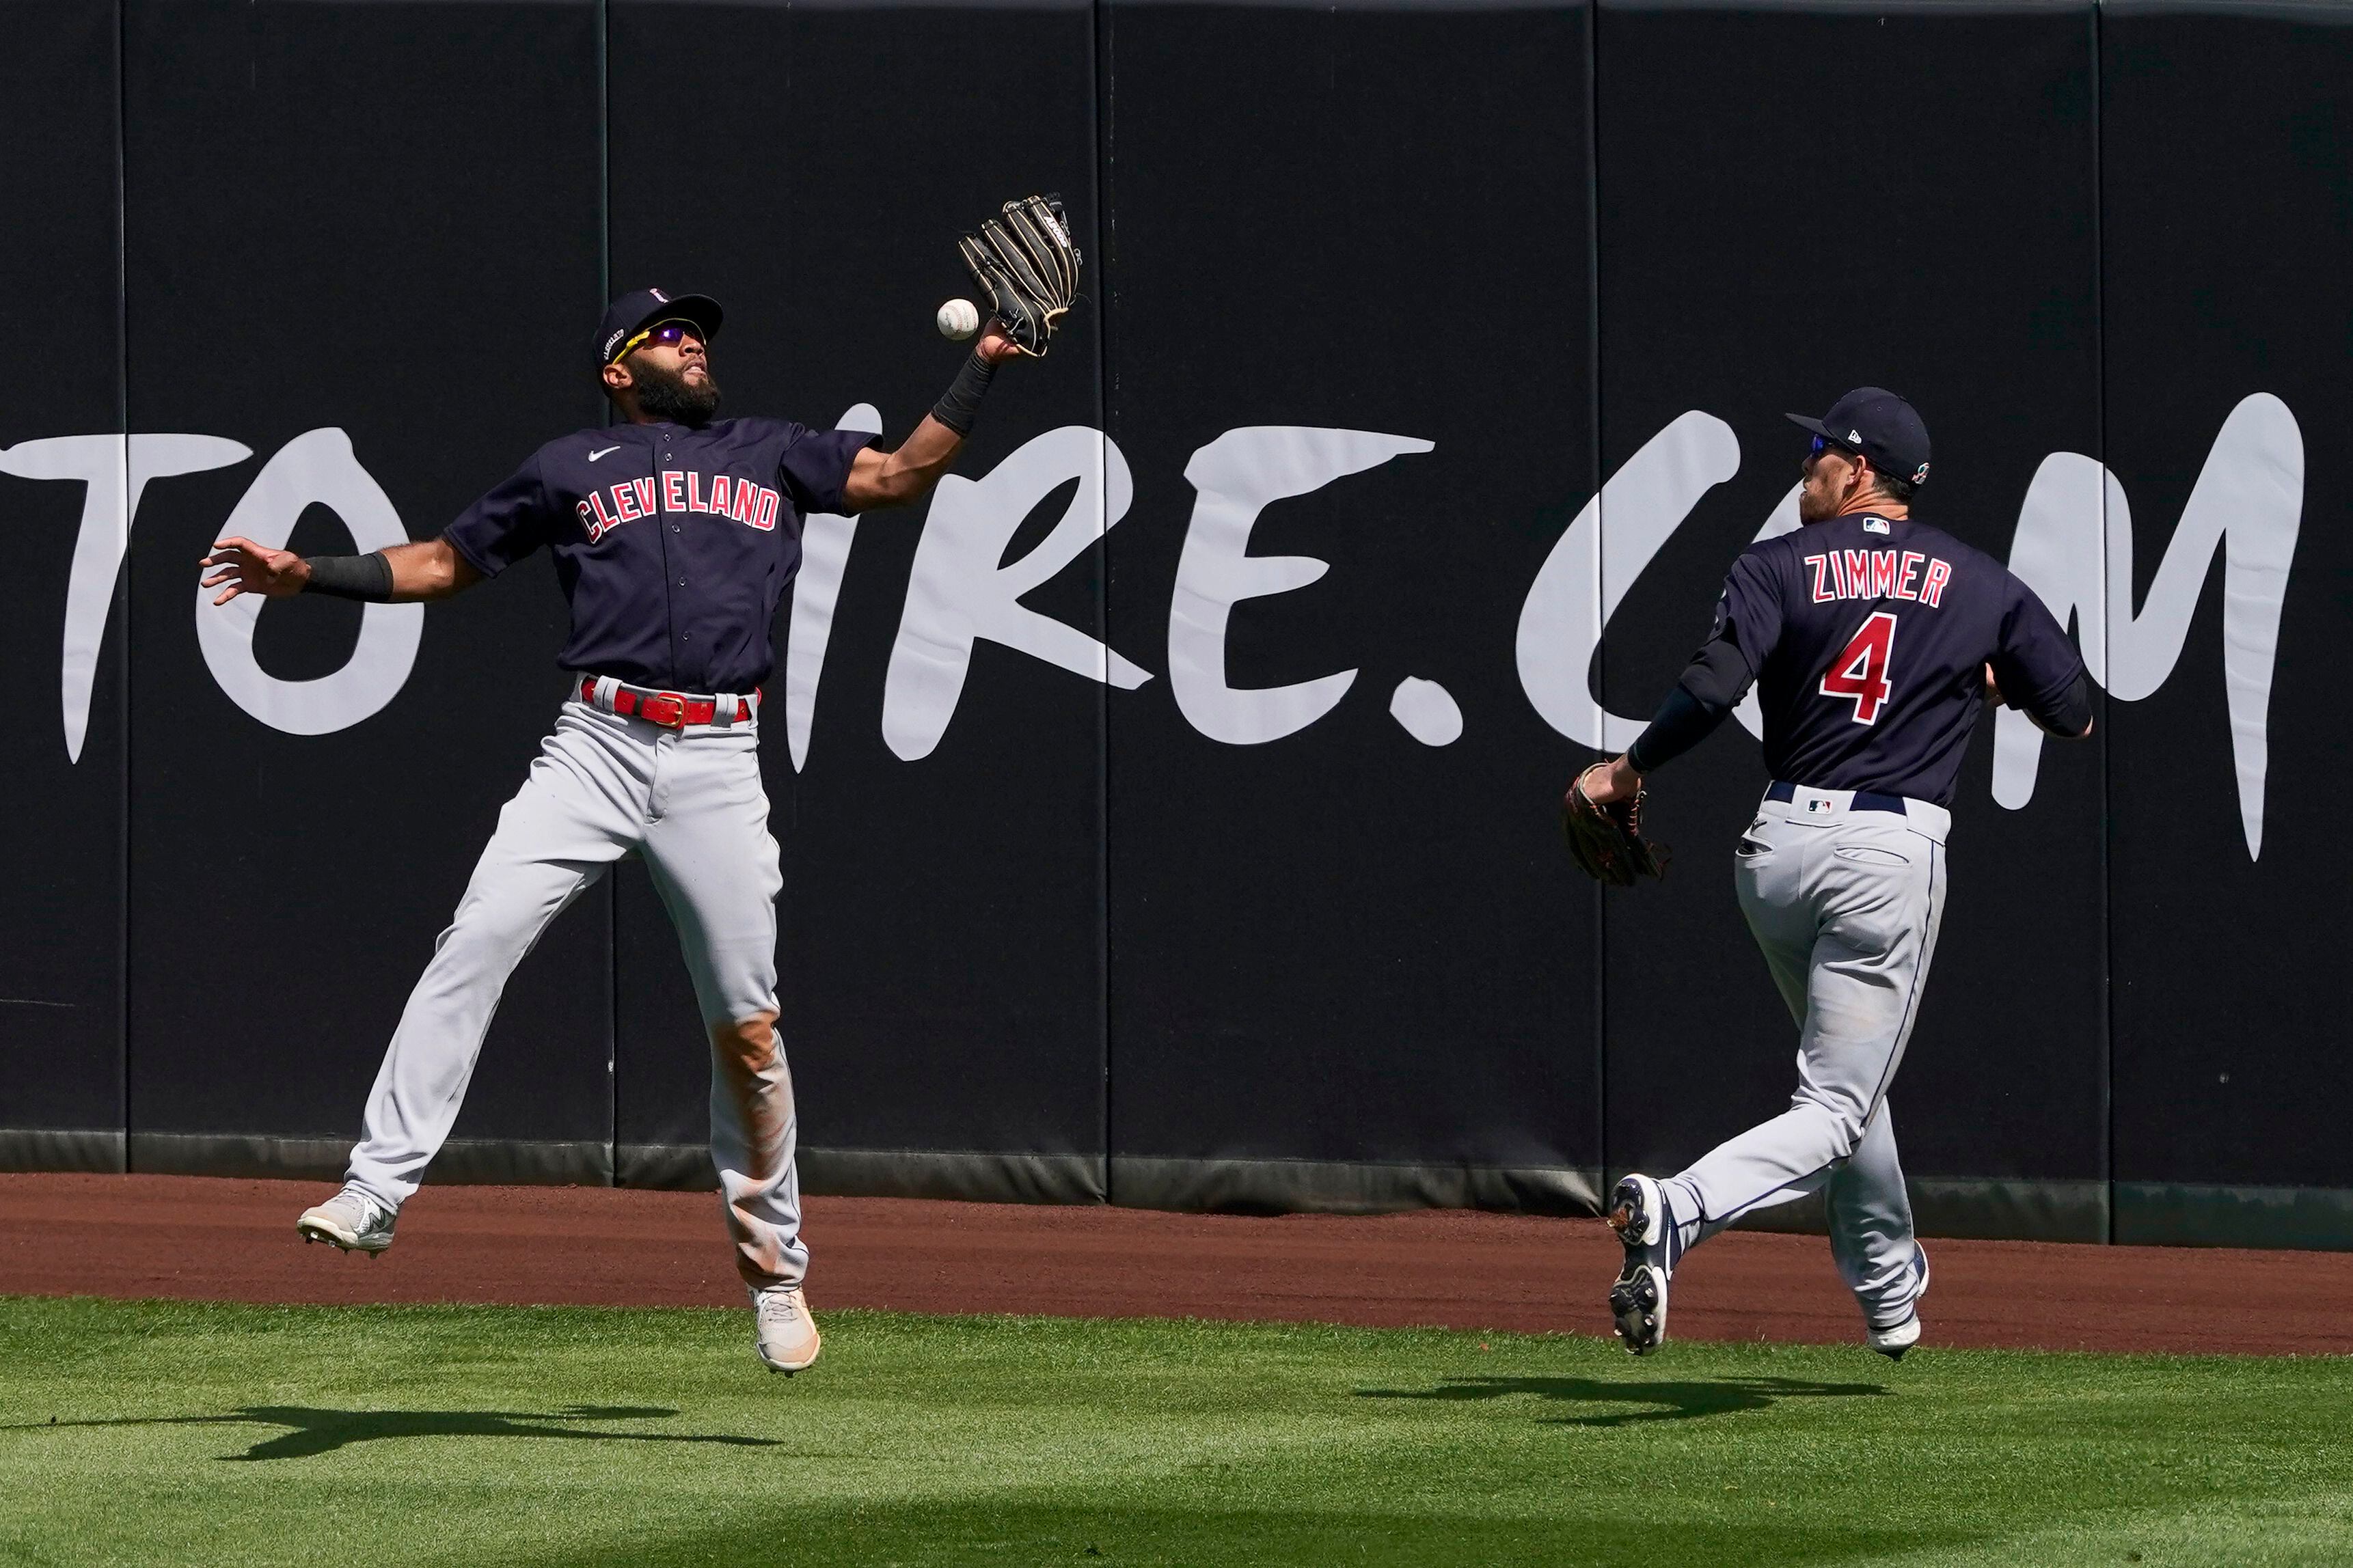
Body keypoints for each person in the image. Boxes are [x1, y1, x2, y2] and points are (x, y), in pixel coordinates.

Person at [200, 287, 1026, 1374]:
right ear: (616, 370)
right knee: (477, 940)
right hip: (593, 742)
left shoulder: (771, 451)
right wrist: (310, 576)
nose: (691, 345)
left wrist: (985, 368)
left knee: (747, 1026)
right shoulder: (568, 467)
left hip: (719, 758)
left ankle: (776, 1274)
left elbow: (901, 472)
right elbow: (447, 563)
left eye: (697, 335)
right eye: (667, 336)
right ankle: (377, 1188)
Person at [1577, 388, 2093, 1359]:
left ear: (1858, 470)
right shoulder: (1981, 582)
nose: (1804, 466)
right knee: (1836, 1104)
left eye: (1817, 451)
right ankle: (1680, 1209)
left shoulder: (1776, 566)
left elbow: (1711, 688)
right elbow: (2075, 713)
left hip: (1777, 855)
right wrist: (1992, 678)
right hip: (1884, 861)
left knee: (1852, 1084)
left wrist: (1629, 767)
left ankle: (1891, 1295)